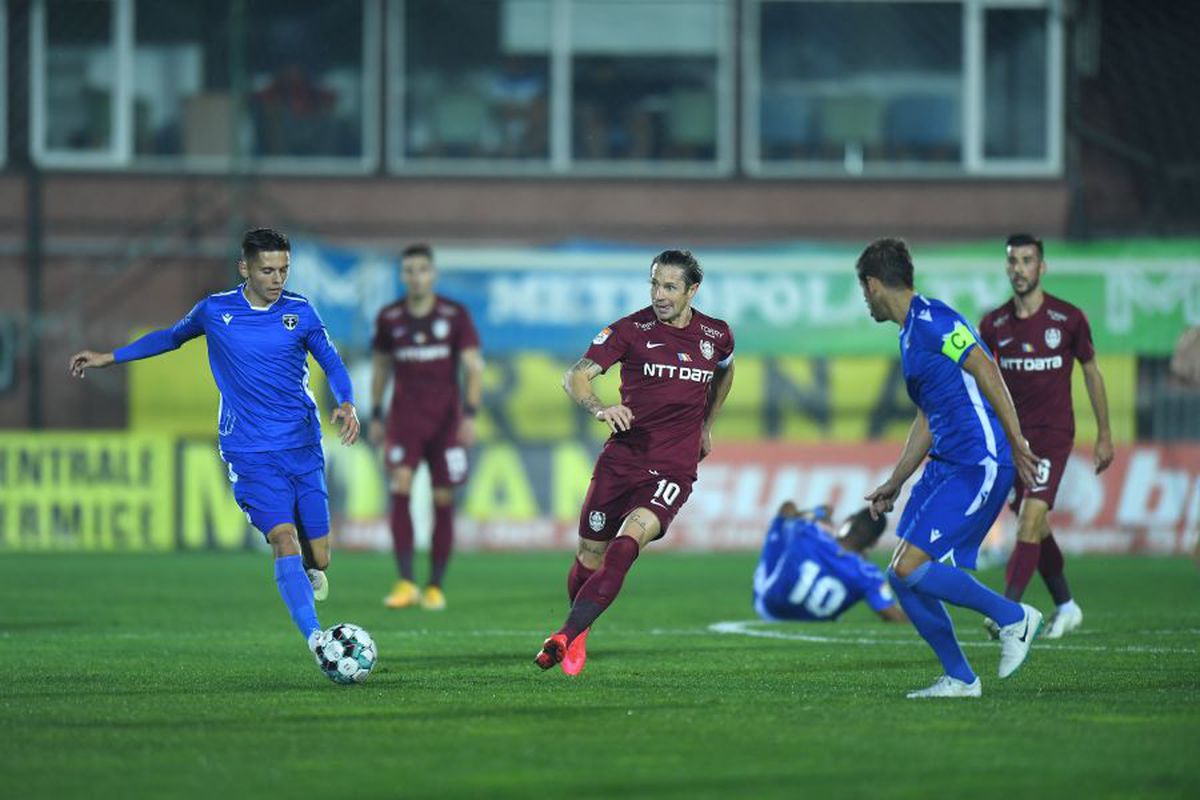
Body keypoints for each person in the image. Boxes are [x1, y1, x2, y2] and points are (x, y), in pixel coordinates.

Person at [68, 228, 359, 670]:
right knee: (283, 539)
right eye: (267, 270)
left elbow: (332, 362)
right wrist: (112, 357)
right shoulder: (215, 311)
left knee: (320, 556)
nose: (277, 278)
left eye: (283, 269)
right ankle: (315, 637)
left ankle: (310, 567)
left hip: (302, 447)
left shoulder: (300, 312)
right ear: (245, 268)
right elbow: (169, 337)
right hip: (249, 452)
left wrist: (346, 401)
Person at [858, 237, 1042, 699]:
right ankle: (960, 677)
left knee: (913, 568)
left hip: (977, 461)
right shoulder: (908, 333)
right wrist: (895, 482)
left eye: (864, 290)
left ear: (874, 284)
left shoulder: (934, 320)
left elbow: (985, 367)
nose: (865, 299)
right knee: (900, 573)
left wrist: (1017, 441)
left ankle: (1014, 617)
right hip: (945, 463)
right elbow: (926, 417)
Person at [534, 250, 735, 674]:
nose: (659, 295)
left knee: (626, 546)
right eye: (654, 284)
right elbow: (576, 375)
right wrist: (599, 408)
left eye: (669, 286)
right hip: (622, 460)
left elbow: (725, 370)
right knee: (590, 554)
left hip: (673, 469)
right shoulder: (630, 330)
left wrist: (706, 425)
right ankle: (579, 634)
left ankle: (564, 636)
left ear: (692, 290)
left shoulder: (716, 334)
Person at [978, 233, 1114, 639]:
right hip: (1013, 439)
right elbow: (983, 381)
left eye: (1027, 260)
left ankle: (1007, 612)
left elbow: (1091, 372)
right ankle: (1066, 605)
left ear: (1042, 267)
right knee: (1032, 523)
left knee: (1030, 520)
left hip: (1054, 435)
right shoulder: (994, 324)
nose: (1019, 269)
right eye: (1013, 261)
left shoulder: (1067, 319)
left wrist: (1105, 434)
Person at [369, 244, 483, 611]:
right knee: (399, 485)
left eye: (422, 269)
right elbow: (382, 368)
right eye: (409, 270)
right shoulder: (389, 317)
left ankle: (434, 585)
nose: (416, 276)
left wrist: (470, 415)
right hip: (404, 420)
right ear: (402, 276)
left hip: (446, 422)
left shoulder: (454, 315)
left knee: (443, 498)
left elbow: (473, 367)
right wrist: (374, 414)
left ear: (432, 274)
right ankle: (405, 581)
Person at [753, 502, 907, 624]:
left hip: (769, 607)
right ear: (873, 543)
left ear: (848, 521)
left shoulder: (809, 532)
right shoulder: (868, 575)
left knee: (780, 525)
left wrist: (817, 512)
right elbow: (893, 615)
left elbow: (787, 509)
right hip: (813, 622)